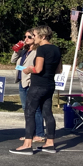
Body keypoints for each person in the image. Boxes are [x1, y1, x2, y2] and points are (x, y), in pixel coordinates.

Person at [11, 25, 61, 155]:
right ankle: (50, 143)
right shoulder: (56, 49)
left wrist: (28, 69)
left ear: (42, 36)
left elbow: (38, 69)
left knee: (29, 112)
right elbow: (59, 69)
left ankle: (27, 145)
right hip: (50, 84)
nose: (33, 37)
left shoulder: (41, 49)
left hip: (38, 85)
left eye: (34, 35)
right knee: (47, 113)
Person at [10, 30, 45, 142]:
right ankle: (30, 133)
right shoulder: (24, 51)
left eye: (29, 37)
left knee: (35, 109)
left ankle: (39, 134)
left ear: (35, 37)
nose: (26, 39)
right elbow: (13, 60)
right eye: (25, 37)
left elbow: (37, 67)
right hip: (22, 81)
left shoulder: (37, 51)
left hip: (31, 82)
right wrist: (17, 50)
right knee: (26, 109)